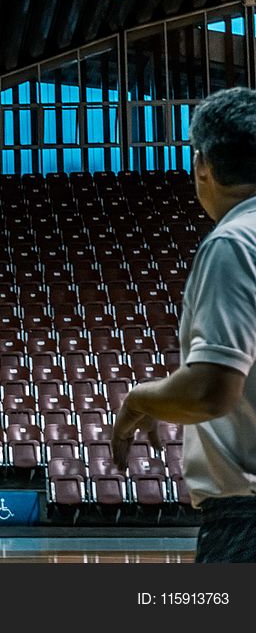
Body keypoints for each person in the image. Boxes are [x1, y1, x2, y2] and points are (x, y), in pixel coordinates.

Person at [110, 86, 256, 562]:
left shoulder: (234, 242)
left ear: (202, 165)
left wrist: (138, 399)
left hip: (246, 521)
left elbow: (210, 391)